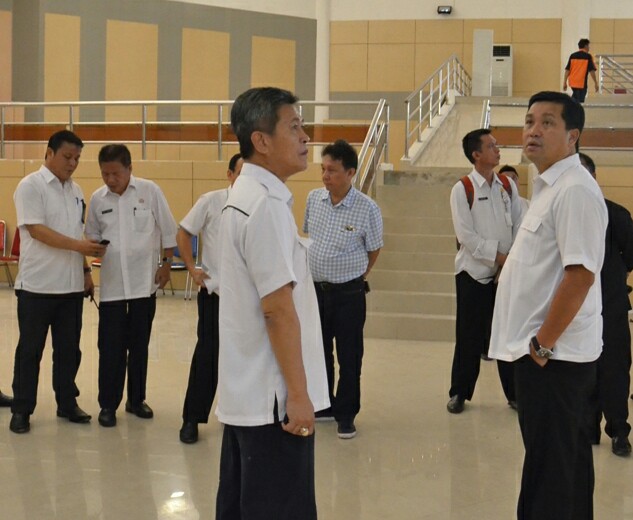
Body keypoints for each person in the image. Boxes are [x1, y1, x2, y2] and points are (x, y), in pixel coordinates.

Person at [490, 91, 608, 520]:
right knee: (562, 464)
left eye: (547, 123)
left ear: (573, 136)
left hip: (553, 358)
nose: (533, 131)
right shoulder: (550, 187)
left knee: (551, 471)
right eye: (529, 121)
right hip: (545, 354)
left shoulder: (574, 190)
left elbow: (580, 276)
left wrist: (541, 345)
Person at [215, 87, 329, 519]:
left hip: (251, 394)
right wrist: (298, 395)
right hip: (273, 402)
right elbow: (277, 310)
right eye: (294, 127)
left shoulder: (248, 196)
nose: (306, 137)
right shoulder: (264, 205)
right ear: (261, 141)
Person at [9, 130, 108, 434]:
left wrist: (85, 272)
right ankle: (22, 409)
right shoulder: (30, 186)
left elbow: (75, 232)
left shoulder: (75, 190)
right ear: (49, 153)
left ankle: (67, 402)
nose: (72, 163)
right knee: (30, 352)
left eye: (77, 158)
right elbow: (37, 231)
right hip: (37, 287)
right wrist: (81, 247)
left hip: (70, 288)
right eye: (67, 157)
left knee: (69, 351)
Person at [85, 144, 177, 427]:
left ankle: (136, 400)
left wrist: (166, 264)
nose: (110, 179)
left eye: (116, 173)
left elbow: (169, 231)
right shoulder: (98, 199)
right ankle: (107, 405)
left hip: (143, 285)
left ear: (129, 169)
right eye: (105, 174)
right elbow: (91, 236)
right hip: (112, 287)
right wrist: (93, 251)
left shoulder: (150, 191)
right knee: (110, 348)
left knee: (139, 346)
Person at [303, 139, 383, 439]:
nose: (325, 176)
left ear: (350, 173)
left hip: (349, 293)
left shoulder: (367, 208)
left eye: (332, 171)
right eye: (323, 169)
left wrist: (357, 274)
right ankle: (324, 405)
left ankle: (346, 414)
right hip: (315, 291)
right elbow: (309, 236)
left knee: (350, 355)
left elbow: (374, 249)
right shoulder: (314, 199)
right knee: (319, 350)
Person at [446, 129, 523, 414]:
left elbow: (519, 223)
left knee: (506, 334)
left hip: (505, 274)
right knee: (468, 337)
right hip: (473, 274)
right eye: (491, 146)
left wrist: (509, 262)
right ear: (476, 154)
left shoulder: (507, 185)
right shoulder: (462, 189)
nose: (497, 150)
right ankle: (460, 393)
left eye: (496, 145)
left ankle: (515, 394)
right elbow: (466, 236)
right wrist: (499, 258)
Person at [178, 153, 243, 444]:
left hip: (247, 299)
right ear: (229, 174)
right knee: (207, 356)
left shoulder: (261, 206)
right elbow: (183, 233)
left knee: (242, 359)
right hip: (215, 294)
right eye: (240, 173)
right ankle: (192, 418)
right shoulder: (211, 201)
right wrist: (192, 268)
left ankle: (237, 418)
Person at [579, 152, 632, 457]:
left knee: (615, 369)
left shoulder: (617, 214)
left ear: (594, 178)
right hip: (578, 307)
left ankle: (619, 430)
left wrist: (614, 276)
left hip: (611, 306)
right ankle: (589, 427)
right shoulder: (567, 216)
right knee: (585, 368)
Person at [563, 38, 598, 104]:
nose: (589, 48)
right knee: (579, 101)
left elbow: (567, 70)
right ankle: (569, 106)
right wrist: (595, 82)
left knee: (576, 97)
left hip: (572, 81)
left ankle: (570, 105)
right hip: (581, 82)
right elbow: (592, 71)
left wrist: (564, 82)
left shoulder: (572, 56)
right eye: (588, 46)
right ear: (585, 46)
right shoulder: (588, 56)